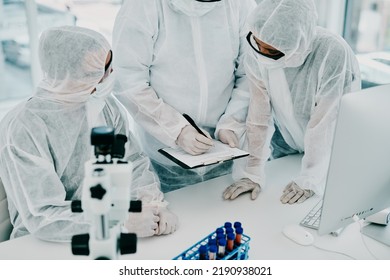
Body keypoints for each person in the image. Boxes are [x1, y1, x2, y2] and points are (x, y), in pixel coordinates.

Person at [0, 26, 178, 242]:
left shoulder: (105, 106)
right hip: (44, 244)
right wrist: (117, 221)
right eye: (96, 71)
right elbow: (43, 216)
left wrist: (152, 204)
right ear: (65, 73)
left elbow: (131, 162)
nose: (108, 76)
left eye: (109, 66)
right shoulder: (24, 127)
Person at [223, 0, 361, 203]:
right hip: (289, 144)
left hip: (335, 151)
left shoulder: (331, 54)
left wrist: (311, 178)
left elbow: (325, 123)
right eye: (257, 43)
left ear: (296, 48)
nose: (261, 54)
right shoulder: (257, 50)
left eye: (270, 51)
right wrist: (252, 172)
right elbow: (259, 116)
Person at [112, 0, 257, 192]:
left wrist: (232, 122)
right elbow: (128, 81)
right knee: (180, 216)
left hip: (227, 151)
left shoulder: (239, 5)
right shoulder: (143, 7)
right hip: (165, 156)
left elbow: (250, 73)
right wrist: (176, 130)